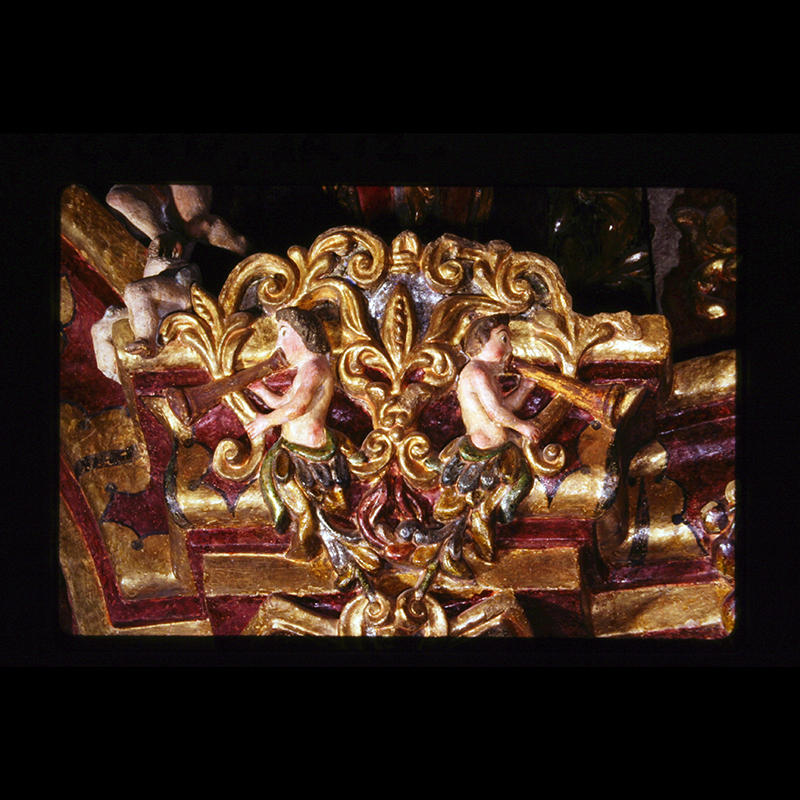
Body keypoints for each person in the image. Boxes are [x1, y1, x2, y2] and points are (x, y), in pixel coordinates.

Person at [244, 307, 376, 577]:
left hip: (307, 451)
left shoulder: (314, 368)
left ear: (305, 335)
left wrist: (265, 421)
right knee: (299, 504)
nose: (279, 343)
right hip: (292, 447)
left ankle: (305, 547)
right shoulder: (306, 369)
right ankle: (303, 540)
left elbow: (297, 408)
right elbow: (286, 402)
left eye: (284, 334)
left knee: (304, 508)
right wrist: (262, 391)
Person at [433, 314, 540, 561]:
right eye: (503, 339)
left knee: (523, 481)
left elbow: (504, 407)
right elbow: (495, 412)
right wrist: (523, 427)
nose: (509, 349)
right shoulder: (477, 373)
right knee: (516, 484)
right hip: (487, 452)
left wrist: (524, 388)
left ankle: (503, 511)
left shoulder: (484, 373)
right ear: (479, 342)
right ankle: (502, 514)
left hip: (499, 447)